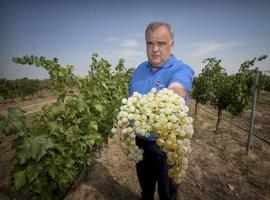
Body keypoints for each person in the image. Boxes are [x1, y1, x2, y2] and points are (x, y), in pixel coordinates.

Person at [128, 21, 194, 200]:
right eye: (150, 43)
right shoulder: (139, 70)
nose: (155, 49)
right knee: (146, 189)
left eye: (161, 43)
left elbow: (178, 87)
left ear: (171, 45)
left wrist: (173, 95)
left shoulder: (181, 69)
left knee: (167, 193)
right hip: (141, 143)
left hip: (166, 147)